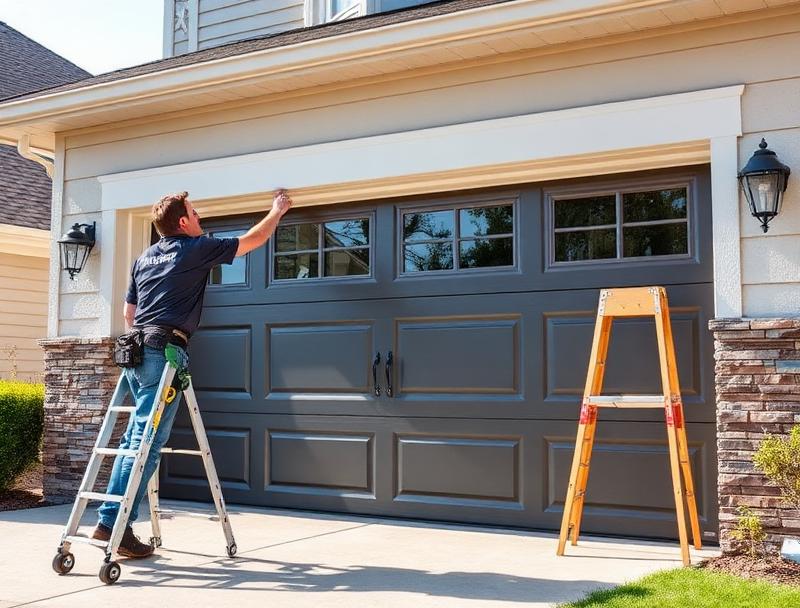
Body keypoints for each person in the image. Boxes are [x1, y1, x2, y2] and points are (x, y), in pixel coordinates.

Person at [92, 189, 292, 557]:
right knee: (146, 446)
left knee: (132, 440)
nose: (200, 219)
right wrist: (276, 211)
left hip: (135, 353)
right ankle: (112, 525)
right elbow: (254, 239)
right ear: (183, 222)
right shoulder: (196, 248)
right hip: (162, 355)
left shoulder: (144, 258)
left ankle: (109, 519)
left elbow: (128, 315)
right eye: (196, 214)